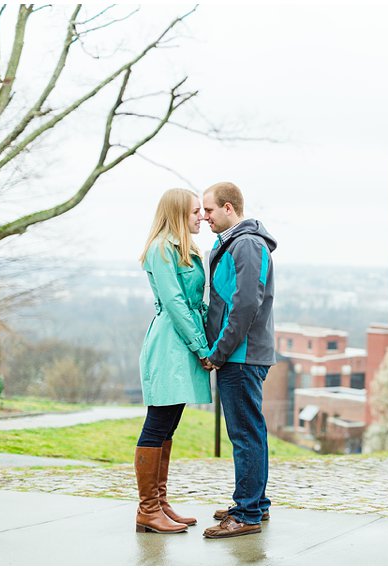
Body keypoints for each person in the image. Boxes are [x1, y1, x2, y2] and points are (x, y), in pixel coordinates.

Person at [199, 182, 278, 539]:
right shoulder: (234, 243)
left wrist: (218, 352)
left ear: (228, 208)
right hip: (239, 355)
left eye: (210, 210)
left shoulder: (247, 244)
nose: (204, 216)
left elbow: (246, 304)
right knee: (251, 432)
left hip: (241, 356)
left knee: (245, 434)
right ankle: (253, 503)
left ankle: (246, 514)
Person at [135, 188, 213, 533]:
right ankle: (147, 509)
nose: (201, 217)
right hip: (171, 345)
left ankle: (160, 503)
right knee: (157, 423)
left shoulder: (182, 249)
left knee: (169, 425)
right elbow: (177, 304)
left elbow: (195, 303)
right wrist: (201, 346)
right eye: (196, 211)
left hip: (182, 344)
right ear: (180, 213)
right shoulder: (161, 249)